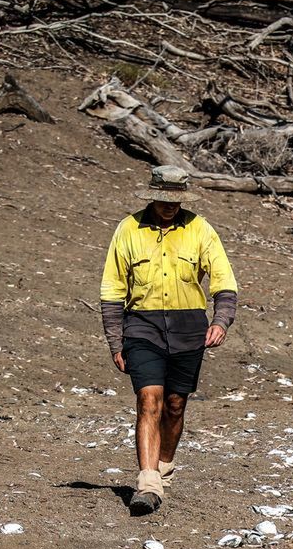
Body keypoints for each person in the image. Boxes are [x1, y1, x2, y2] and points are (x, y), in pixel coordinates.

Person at [100, 165, 238, 515]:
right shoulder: (128, 229)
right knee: (149, 399)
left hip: (189, 327)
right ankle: (147, 482)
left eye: (177, 201)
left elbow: (223, 280)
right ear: (153, 196)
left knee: (175, 405)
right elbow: (112, 289)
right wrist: (116, 341)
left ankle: (163, 468)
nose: (170, 206)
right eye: (164, 200)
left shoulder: (200, 229)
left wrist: (221, 321)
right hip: (141, 326)